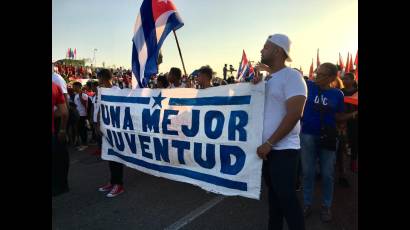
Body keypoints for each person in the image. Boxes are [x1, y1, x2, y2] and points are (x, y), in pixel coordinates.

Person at [253, 34, 307, 230]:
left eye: (265, 47)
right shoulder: (267, 80)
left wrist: (270, 143)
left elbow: (294, 114)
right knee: (275, 202)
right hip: (267, 151)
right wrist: (254, 87)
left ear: (277, 50)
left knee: (287, 201)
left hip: (283, 150)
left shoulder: (292, 76)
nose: (261, 50)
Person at [300, 63, 357, 222]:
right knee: (308, 173)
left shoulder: (337, 94)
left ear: (332, 77)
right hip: (307, 136)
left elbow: (338, 117)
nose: (317, 76)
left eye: (322, 74)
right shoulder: (308, 85)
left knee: (327, 174)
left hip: (329, 137)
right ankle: (307, 203)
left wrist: (352, 115)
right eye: (317, 73)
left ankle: (326, 206)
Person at [96, 69, 125, 198]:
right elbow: (99, 108)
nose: (98, 81)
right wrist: (97, 123)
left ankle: (119, 184)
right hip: (105, 128)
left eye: (99, 78)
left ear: (104, 78)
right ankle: (112, 181)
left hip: (116, 129)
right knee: (109, 155)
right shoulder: (101, 91)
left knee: (117, 156)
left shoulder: (117, 91)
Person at [52, 82, 70, 196]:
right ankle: (61, 186)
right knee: (59, 159)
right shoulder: (55, 86)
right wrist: (62, 130)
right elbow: (64, 112)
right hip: (53, 133)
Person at [341, 72, 358, 173]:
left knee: (355, 142)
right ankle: (342, 168)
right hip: (342, 121)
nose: (344, 81)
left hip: (355, 121)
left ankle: (353, 162)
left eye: (347, 79)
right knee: (343, 143)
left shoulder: (357, 91)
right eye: (343, 79)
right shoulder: (340, 92)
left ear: (353, 80)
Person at [72, 82, 89, 151]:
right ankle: (82, 143)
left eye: (74, 86)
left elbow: (85, 105)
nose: (73, 88)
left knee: (83, 130)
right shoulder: (76, 95)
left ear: (78, 87)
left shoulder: (83, 95)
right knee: (79, 129)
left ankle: (85, 144)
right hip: (77, 115)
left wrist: (80, 95)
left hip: (83, 115)